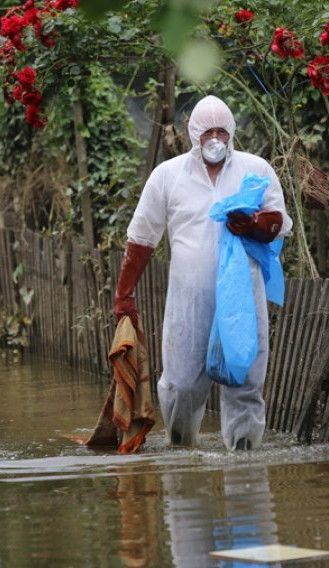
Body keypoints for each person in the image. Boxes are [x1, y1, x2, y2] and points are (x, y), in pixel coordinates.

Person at [113, 95, 293, 451]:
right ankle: (183, 452)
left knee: (245, 381)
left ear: (232, 134)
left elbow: (278, 224)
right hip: (189, 302)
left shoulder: (255, 170)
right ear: (193, 135)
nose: (216, 140)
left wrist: (254, 223)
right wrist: (124, 294)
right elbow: (141, 237)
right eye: (208, 132)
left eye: (222, 132)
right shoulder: (167, 176)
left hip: (241, 300)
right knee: (180, 385)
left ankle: (244, 460)